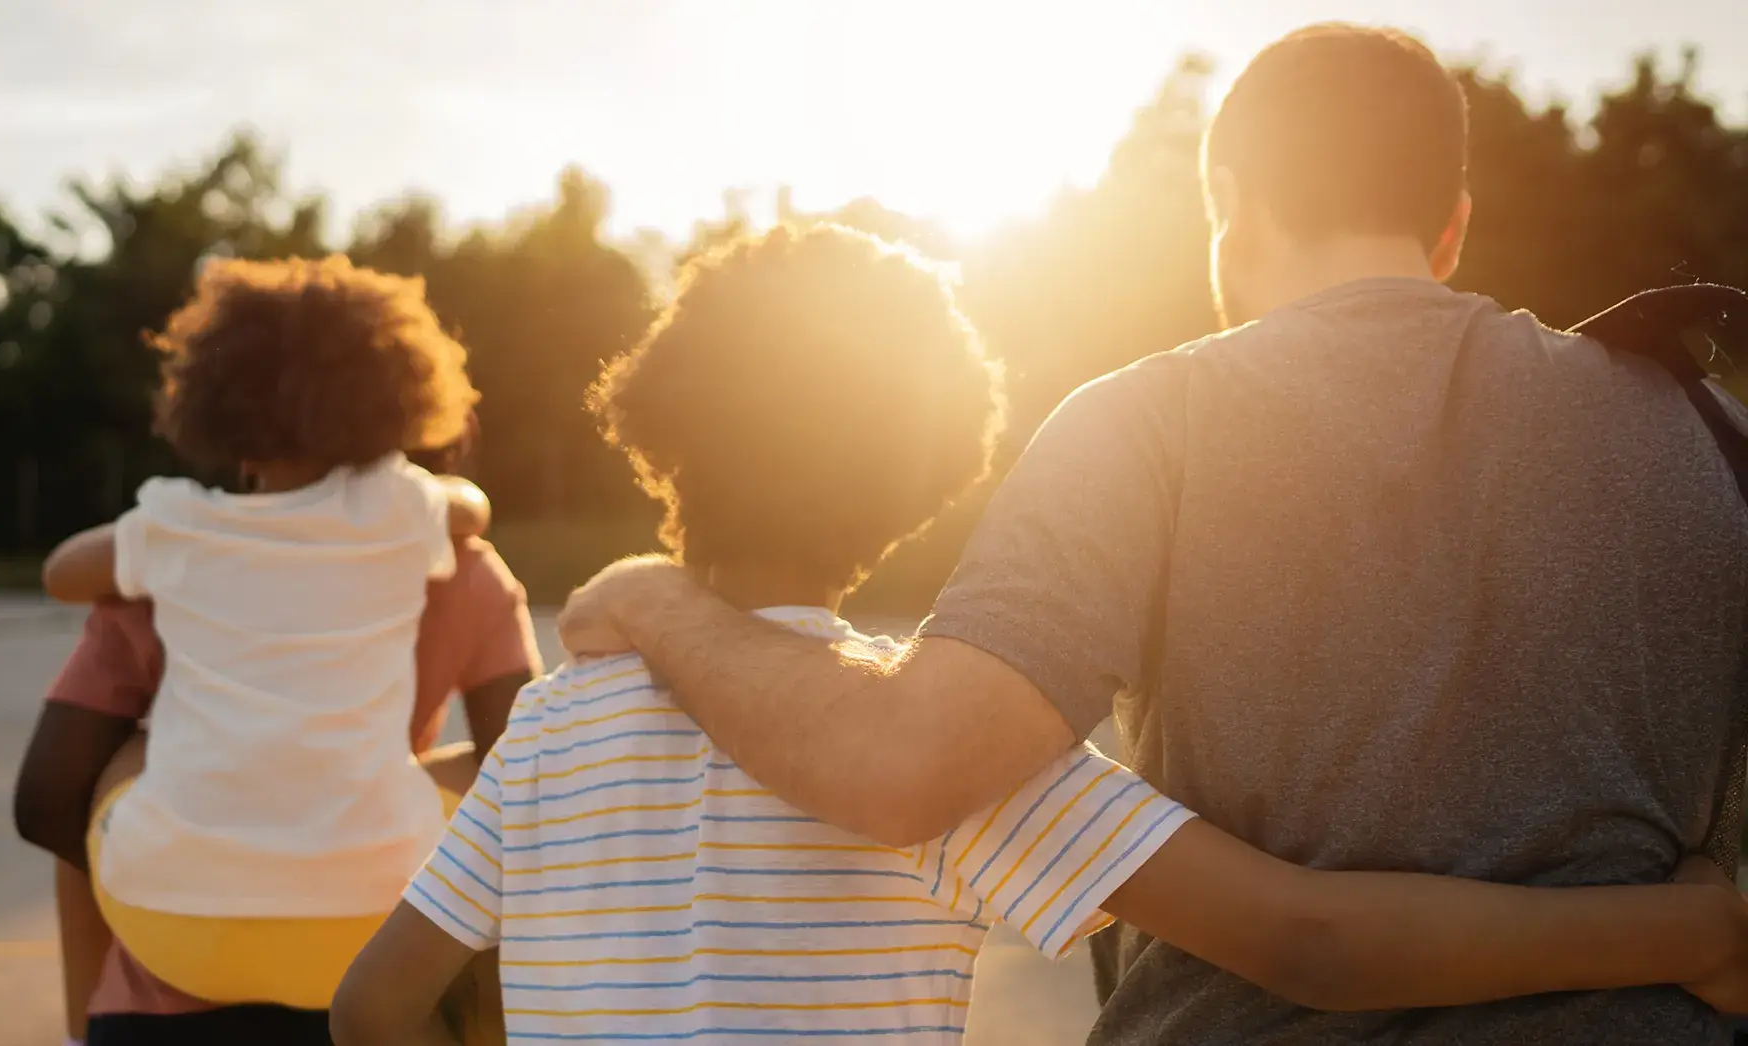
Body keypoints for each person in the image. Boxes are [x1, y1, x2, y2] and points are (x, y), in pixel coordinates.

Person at [553, 24, 1748, 1044]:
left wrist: (650, 596)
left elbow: (900, 766)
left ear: (1226, 204)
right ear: (1453, 228)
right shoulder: (1704, 422)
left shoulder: (1152, 419)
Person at [328, 222, 1748, 1046]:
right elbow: (1312, 941)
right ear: (922, 481)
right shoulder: (944, 752)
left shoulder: (556, 727)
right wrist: (1688, 922)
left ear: (662, 437)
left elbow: (376, 1003)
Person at [27, 255, 502, 1023]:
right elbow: (471, 508)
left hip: (172, 923)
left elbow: (60, 574)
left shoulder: (180, 532)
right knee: (503, 792)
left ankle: (82, 1030)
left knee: (125, 758)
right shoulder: (416, 521)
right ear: (399, 410)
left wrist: (159, 539)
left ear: (219, 416)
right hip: (374, 929)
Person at [13, 453, 541, 1043]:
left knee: (109, 780)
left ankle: (80, 1033)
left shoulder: (170, 552)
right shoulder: (455, 561)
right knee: (516, 781)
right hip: (382, 947)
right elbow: (528, 777)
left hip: (174, 953)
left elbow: (46, 800)